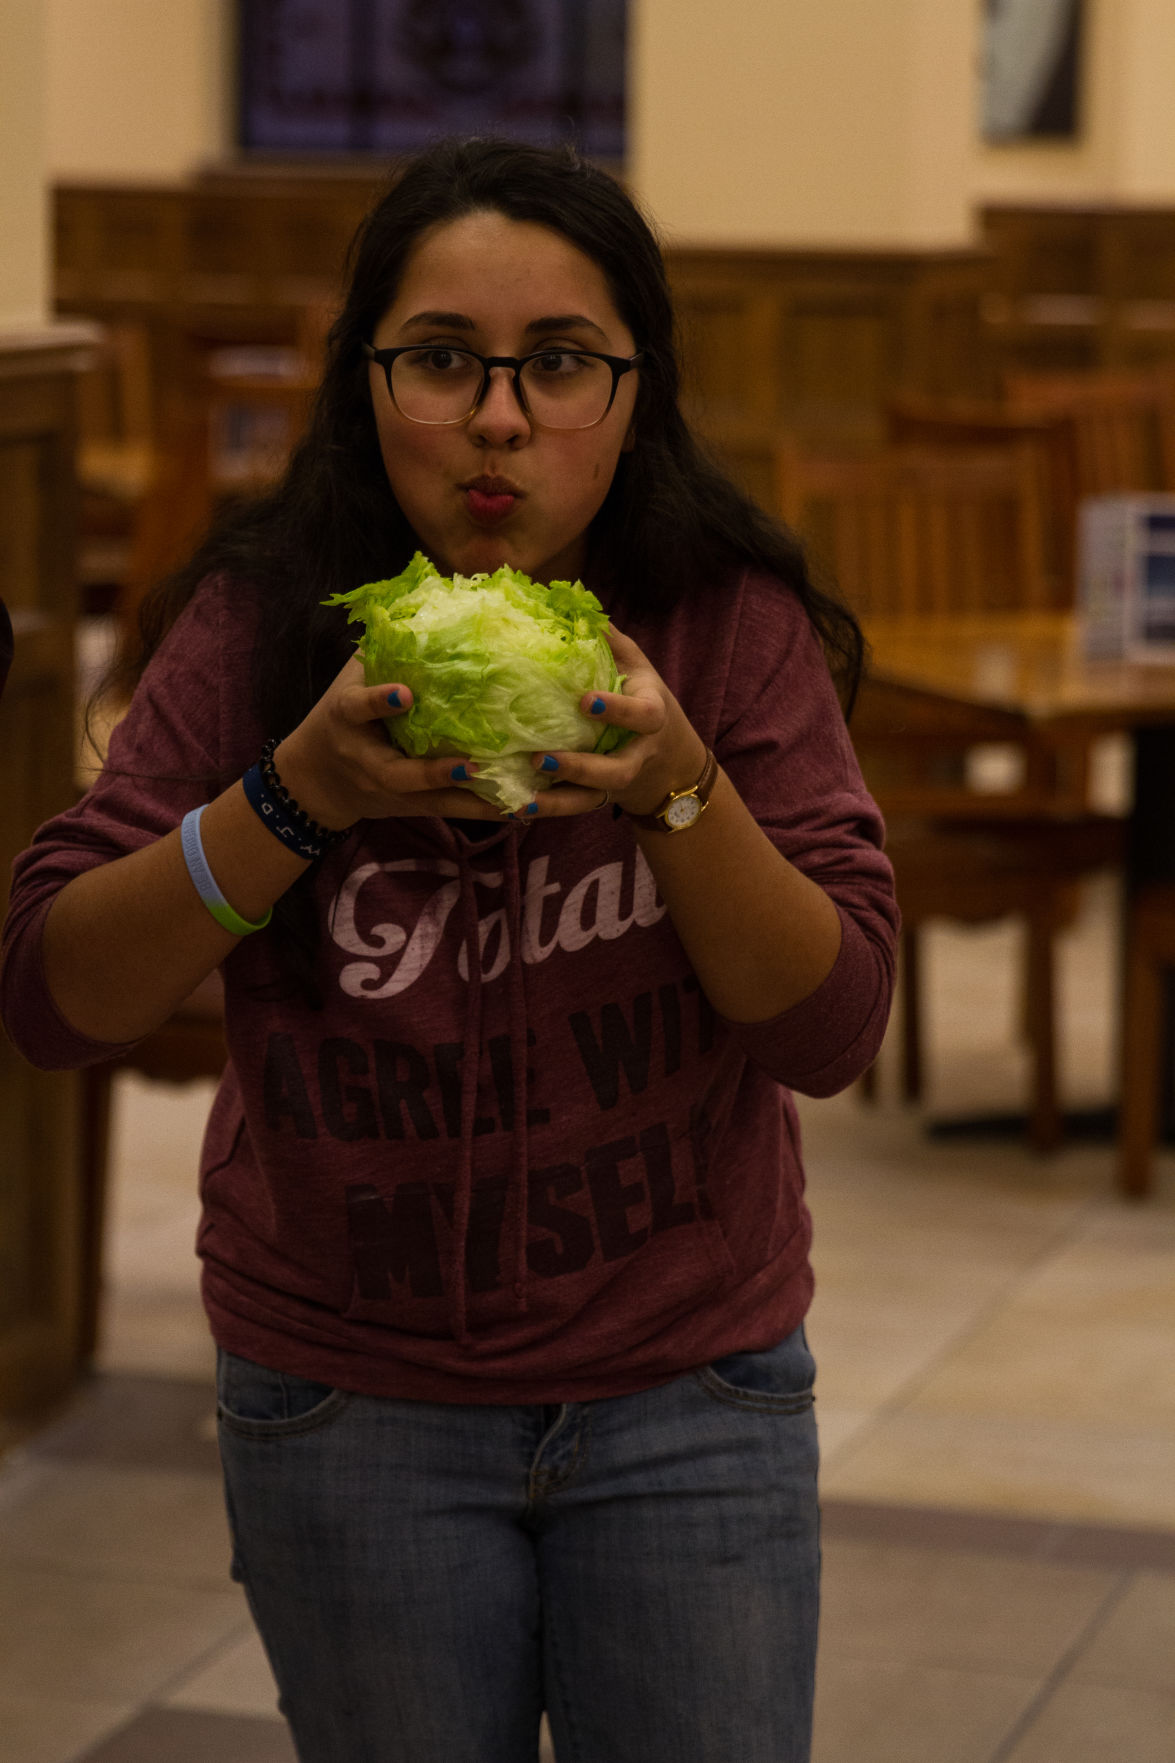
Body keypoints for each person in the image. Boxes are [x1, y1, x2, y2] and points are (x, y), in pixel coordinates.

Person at [1, 139, 897, 1763]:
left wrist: (683, 790)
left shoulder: (723, 624)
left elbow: (832, 1030)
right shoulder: (266, 621)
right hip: (348, 1402)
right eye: (442, 363)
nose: (499, 420)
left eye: (559, 364)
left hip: (688, 1393)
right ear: (367, 384)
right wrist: (298, 793)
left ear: (635, 391)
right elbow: (55, 992)